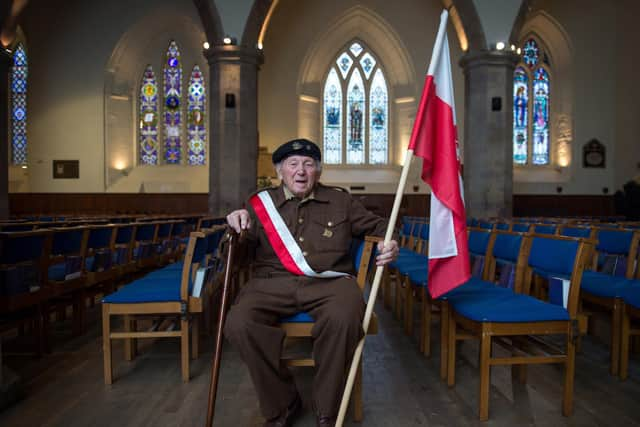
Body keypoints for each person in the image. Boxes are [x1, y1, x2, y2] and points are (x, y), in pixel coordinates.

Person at [224, 138, 399, 427]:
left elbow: (382, 227)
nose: (301, 171)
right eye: (292, 164)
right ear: (280, 171)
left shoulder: (341, 201)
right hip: (271, 283)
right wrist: (235, 230)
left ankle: (327, 409)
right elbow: (237, 253)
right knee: (239, 323)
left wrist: (390, 243)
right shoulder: (258, 205)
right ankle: (283, 403)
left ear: (318, 171)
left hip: (329, 284)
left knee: (345, 316)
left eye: (308, 164)